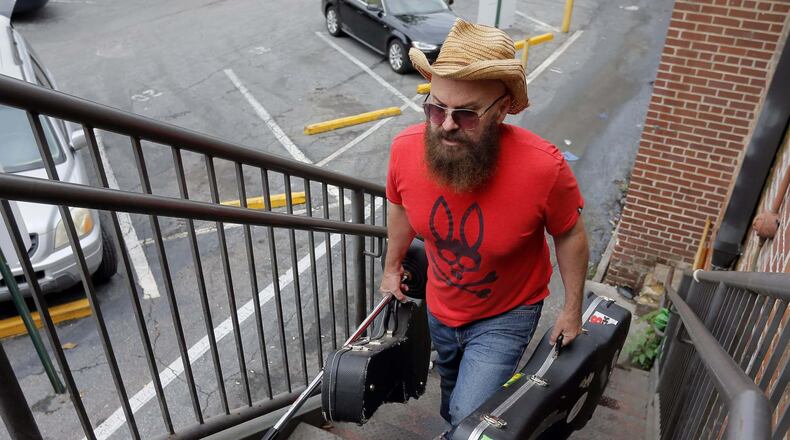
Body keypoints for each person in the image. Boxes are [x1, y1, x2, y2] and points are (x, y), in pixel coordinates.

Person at [379, 19, 590, 434]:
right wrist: (391, 267)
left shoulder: (544, 168)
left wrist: (571, 309)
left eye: (467, 115)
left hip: (506, 315)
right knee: (452, 390)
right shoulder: (406, 149)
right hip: (442, 304)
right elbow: (401, 208)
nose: (446, 125)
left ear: (505, 107)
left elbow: (570, 234)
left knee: (469, 417)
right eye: (435, 108)